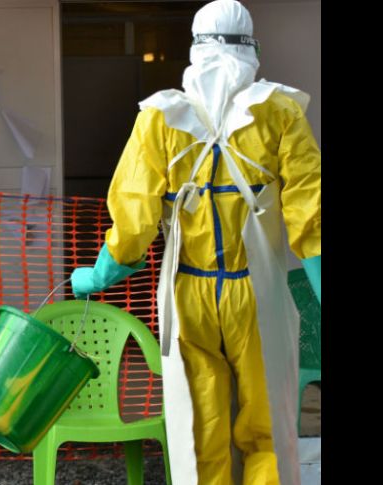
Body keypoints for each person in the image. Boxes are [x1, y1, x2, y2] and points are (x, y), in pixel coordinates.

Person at [70, 1, 320, 484]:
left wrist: (97, 275)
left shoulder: (161, 118)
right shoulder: (281, 112)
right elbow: (311, 217)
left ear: (193, 48)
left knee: (199, 426)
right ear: (253, 47)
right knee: (267, 423)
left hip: (189, 294)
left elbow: (134, 219)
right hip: (258, 295)